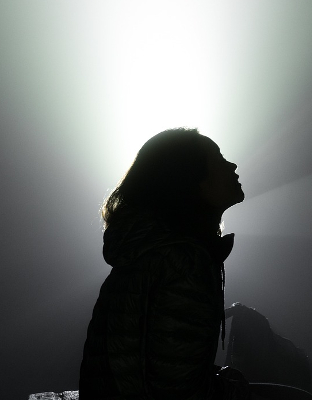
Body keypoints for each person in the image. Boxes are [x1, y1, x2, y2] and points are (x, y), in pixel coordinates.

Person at [79, 127, 250, 399]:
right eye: (218, 159)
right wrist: (234, 388)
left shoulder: (149, 252)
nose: (233, 165)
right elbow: (175, 390)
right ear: (189, 179)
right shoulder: (184, 263)